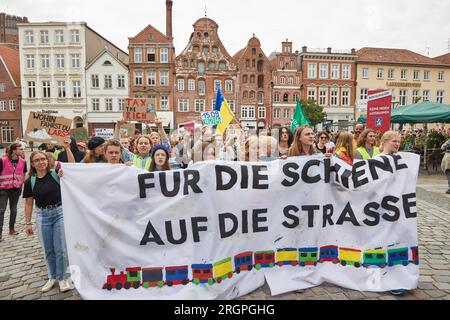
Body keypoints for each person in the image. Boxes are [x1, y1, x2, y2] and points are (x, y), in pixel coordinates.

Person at [23, 151, 72, 293]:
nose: (41, 162)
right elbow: (28, 203)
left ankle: (62, 278)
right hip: (42, 216)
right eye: (37, 160)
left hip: (59, 213)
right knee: (48, 249)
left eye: (43, 159)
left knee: (60, 248)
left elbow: (72, 165)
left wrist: (67, 148)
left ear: (47, 160)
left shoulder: (56, 175)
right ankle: (52, 277)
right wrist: (27, 223)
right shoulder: (30, 181)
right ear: (32, 164)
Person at [0, 143, 27, 241]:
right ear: (14, 150)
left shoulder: (23, 162)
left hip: (16, 189)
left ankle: (12, 229)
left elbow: (24, 174)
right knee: (1, 210)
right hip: (3, 189)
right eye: (20, 149)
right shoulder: (2, 160)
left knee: (14, 209)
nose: (22, 151)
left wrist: (21, 185)